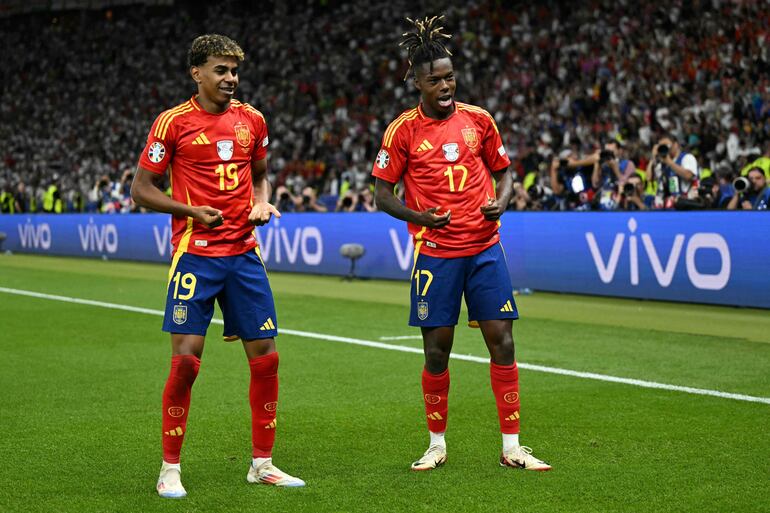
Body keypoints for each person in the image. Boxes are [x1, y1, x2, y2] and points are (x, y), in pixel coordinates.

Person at [372, 16, 551, 473]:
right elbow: (381, 194)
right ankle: (436, 444)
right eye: (435, 80)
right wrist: (421, 218)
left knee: (503, 342)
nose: (445, 85)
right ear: (418, 82)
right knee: (437, 350)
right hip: (435, 253)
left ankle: (512, 446)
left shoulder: (479, 120)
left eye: (450, 77)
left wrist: (502, 202)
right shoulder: (402, 131)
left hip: (485, 248)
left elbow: (505, 170)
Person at [130, 34, 304, 498]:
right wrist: (191, 212)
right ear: (197, 73)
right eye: (221, 70)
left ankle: (262, 464)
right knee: (186, 363)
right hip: (196, 255)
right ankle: (170, 469)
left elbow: (262, 176)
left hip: (244, 254)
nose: (231, 79)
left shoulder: (253, 120)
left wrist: (262, 205)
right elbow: (141, 189)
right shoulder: (173, 123)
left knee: (267, 359)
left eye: (234, 71)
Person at [645, 134, 699, 209]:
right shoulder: (662, 164)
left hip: (684, 204)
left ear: (676, 145)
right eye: (661, 146)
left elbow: (688, 175)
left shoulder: (687, 158)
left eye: (666, 145)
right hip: (666, 205)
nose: (664, 148)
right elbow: (649, 178)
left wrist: (669, 162)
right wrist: (653, 158)